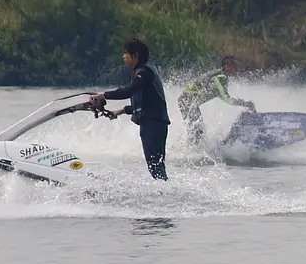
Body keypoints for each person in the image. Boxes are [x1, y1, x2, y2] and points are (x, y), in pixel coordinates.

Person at [90, 37, 170, 181]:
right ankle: (165, 190)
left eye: (126, 53)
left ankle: (166, 193)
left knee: (155, 166)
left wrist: (104, 95)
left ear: (136, 55)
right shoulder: (144, 70)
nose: (123, 56)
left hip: (153, 125)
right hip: (155, 123)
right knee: (156, 166)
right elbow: (144, 104)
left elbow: (128, 91)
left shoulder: (143, 72)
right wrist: (120, 111)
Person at [176, 55, 255, 146]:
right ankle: (191, 151)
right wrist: (244, 103)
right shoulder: (221, 77)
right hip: (187, 101)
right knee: (198, 131)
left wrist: (242, 103)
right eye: (233, 65)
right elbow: (226, 99)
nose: (236, 67)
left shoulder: (219, 75)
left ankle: (188, 148)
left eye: (236, 65)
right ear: (226, 65)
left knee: (197, 130)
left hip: (186, 101)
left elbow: (220, 94)